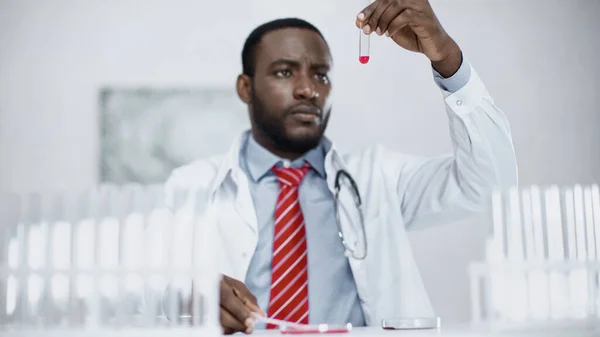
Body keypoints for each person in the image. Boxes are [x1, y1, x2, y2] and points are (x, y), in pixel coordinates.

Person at [165, 0, 518, 334]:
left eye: (320, 75)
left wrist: (446, 57)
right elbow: (147, 296)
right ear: (246, 87)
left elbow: (490, 186)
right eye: (284, 72)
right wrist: (190, 299)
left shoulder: (378, 178)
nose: (307, 89)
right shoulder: (190, 187)